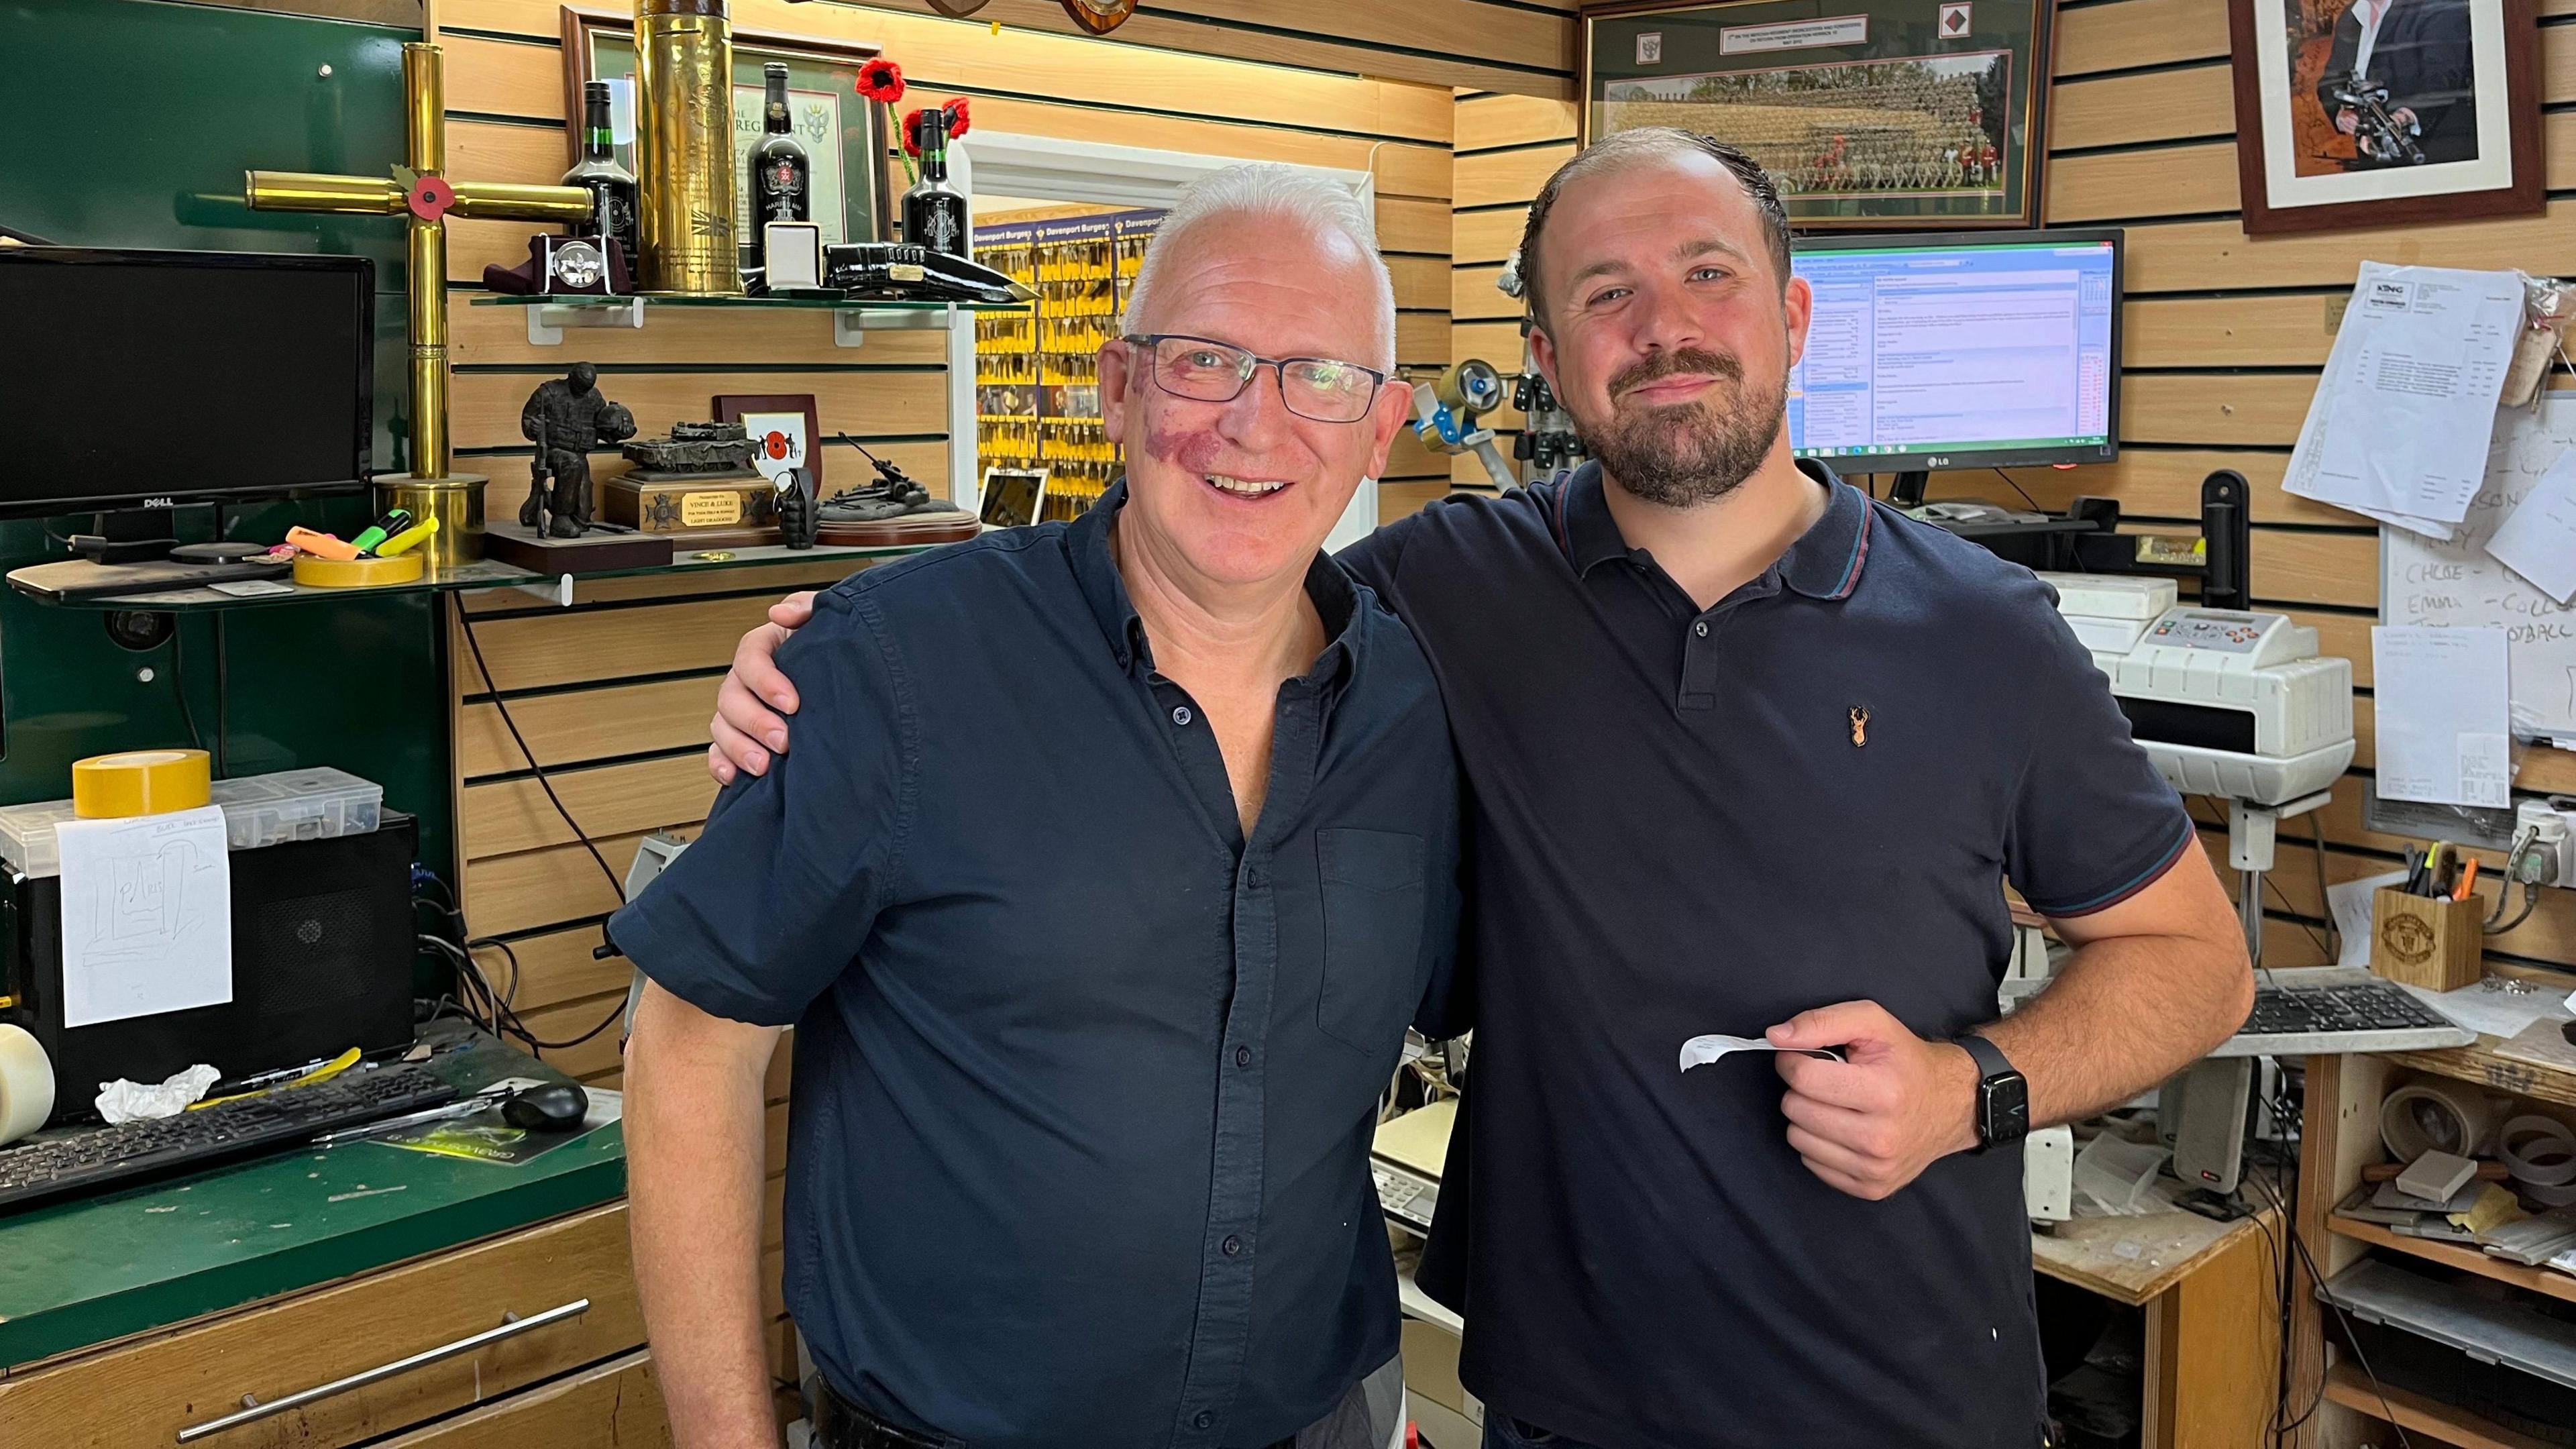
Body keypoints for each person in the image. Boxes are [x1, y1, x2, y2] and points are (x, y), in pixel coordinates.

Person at [710, 129, 2253, 1448]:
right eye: (1604, 292)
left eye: (1706, 273)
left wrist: (1963, 1087)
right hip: (1556, 1398)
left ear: (1789, 313)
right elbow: (1202, 577)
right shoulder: (1447, 587)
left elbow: (2195, 963)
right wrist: (826, 657)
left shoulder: (1984, 632)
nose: (1661, 325)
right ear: (1546, 353)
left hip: (1903, 1394)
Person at [613, 166, 1458, 1449]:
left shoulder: (1416, 704)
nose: (1256, 423)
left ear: (1381, 427)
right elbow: (688, 1050)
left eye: (1317, 376)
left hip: (1320, 1418)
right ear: (1117, 387)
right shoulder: (893, 665)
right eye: (1205, 360)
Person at [2316, 0, 2477, 166]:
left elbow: (2442, 77)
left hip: (2436, 153)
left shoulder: (2437, 4)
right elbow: (2331, 80)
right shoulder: (2352, 15)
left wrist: (2404, 116)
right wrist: (2341, 114)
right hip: (2373, 156)